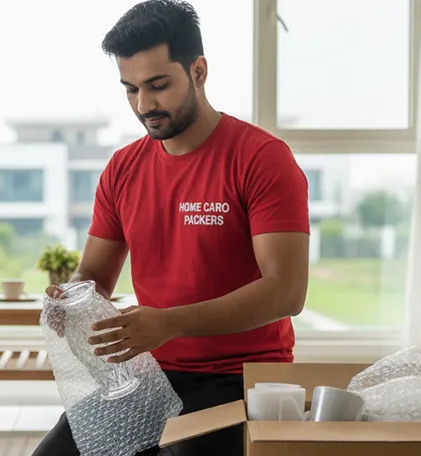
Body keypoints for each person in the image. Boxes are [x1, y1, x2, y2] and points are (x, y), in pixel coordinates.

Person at [32, 0, 310, 454]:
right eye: (130, 89)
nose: (144, 105)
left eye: (158, 85)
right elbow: (95, 279)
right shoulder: (123, 168)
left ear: (198, 71)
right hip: (147, 376)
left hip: (240, 378)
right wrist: (72, 300)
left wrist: (168, 324)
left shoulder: (262, 159)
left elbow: (287, 292)